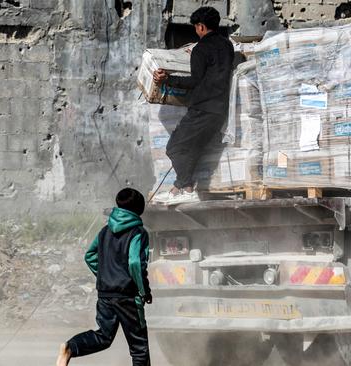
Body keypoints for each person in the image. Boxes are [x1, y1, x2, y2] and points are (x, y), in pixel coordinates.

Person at [56, 188, 152, 366]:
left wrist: (105, 276)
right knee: (140, 349)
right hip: (127, 297)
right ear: (139, 209)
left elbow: (90, 256)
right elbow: (135, 263)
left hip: (105, 294)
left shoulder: (104, 231)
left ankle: (71, 347)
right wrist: (144, 290)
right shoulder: (138, 232)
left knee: (103, 337)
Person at [152, 6, 235, 205]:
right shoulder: (227, 46)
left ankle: (185, 187)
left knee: (174, 147)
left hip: (203, 108)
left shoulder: (201, 49)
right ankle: (182, 188)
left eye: (196, 27)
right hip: (220, 110)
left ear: (200, 27)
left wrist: (167, 79)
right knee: (193, 149)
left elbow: (194, 82)